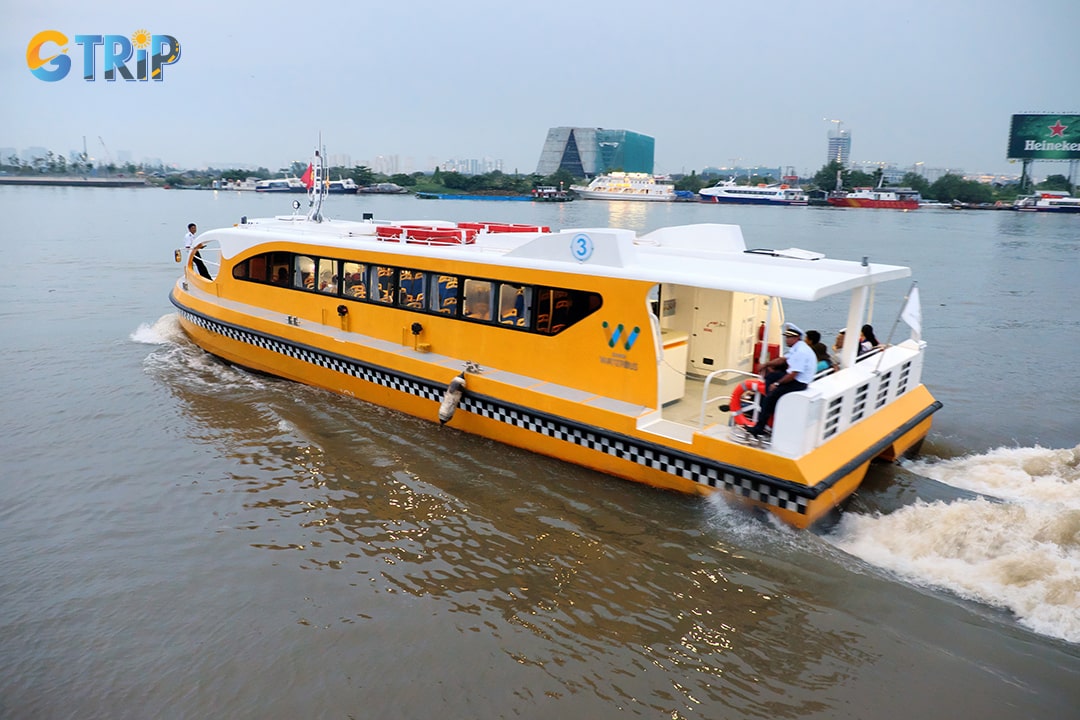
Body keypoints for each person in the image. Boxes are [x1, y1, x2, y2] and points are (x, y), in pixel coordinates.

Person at [747, 323, 816, 440]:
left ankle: (759, 428)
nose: (786, 340)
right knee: (770, 376)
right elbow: (782, 359)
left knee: (770, 397)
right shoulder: (797, 347)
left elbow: (794, 374)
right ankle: (768, 402)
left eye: (788, 337)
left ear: (796, 338)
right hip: (793, 376)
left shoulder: (801, 352)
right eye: (786, 337)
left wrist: (777, 384)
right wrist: (766, 365)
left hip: (799, 382)